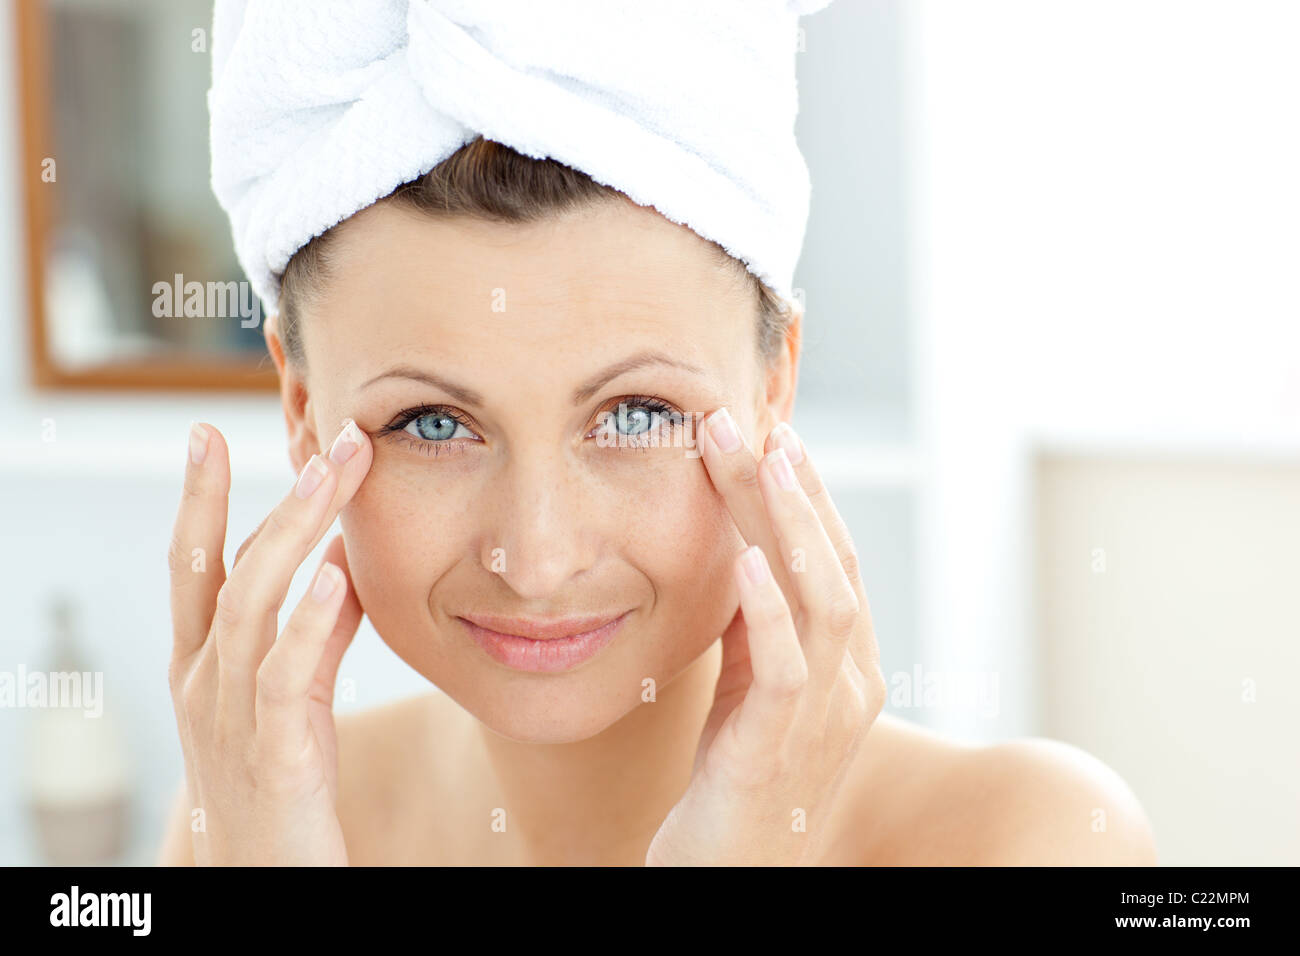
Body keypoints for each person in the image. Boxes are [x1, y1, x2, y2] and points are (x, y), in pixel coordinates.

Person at [158, 2, 1157, 866]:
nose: (538, 557)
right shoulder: (260, 820)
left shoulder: (1031, 839)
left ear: (772, 386)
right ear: (302, 413)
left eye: (636, 415)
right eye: (433, 422)